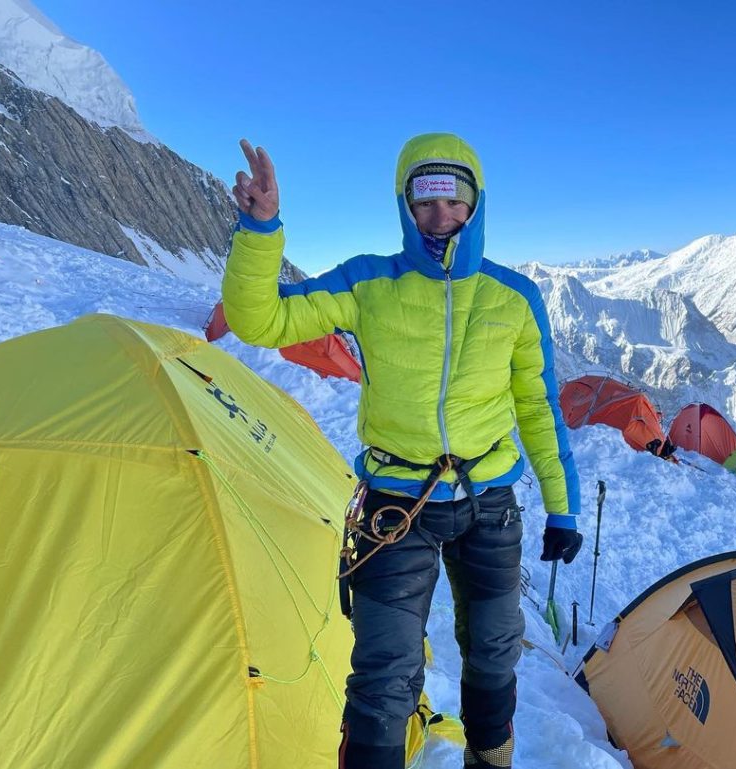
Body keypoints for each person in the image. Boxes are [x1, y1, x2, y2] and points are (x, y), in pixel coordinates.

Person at [222, 132, 583, 769]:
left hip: (489, 501)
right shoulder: (369, 284)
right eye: (425, 201)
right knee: (384, 674)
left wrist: (564, 509)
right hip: (397, 505)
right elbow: (261, 322)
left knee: (496, 651)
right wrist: (260, 229)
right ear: (404, 206)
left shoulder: (514, 299)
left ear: (475, 203)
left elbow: (538, 410)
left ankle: (489, 758)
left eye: (455, 200)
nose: (441, 218)